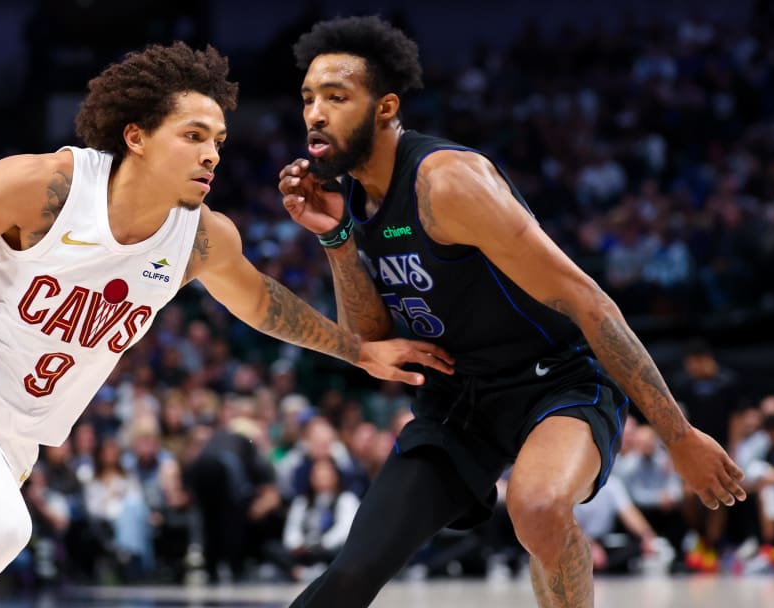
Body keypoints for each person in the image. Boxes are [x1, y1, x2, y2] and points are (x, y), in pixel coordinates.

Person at [0, 42, 453, 608]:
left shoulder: (201, 239)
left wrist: (358, 351)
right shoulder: (44, 187)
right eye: (193, 134)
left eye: (219, 141)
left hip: (11, 438)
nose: (211, 153)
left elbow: (263, 304)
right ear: (136, 136)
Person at [277, 16, 745, 607]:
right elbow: (371, 339)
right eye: (308, 98)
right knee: (350, 574)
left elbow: (586, 300)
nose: (314, 113)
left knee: (539, 507)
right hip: (457, 402)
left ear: (385, 108)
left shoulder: (447, 183)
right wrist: (338, 237)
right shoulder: (353, 199)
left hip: (556, 382)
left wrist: (677, 435)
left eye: (336, 97)